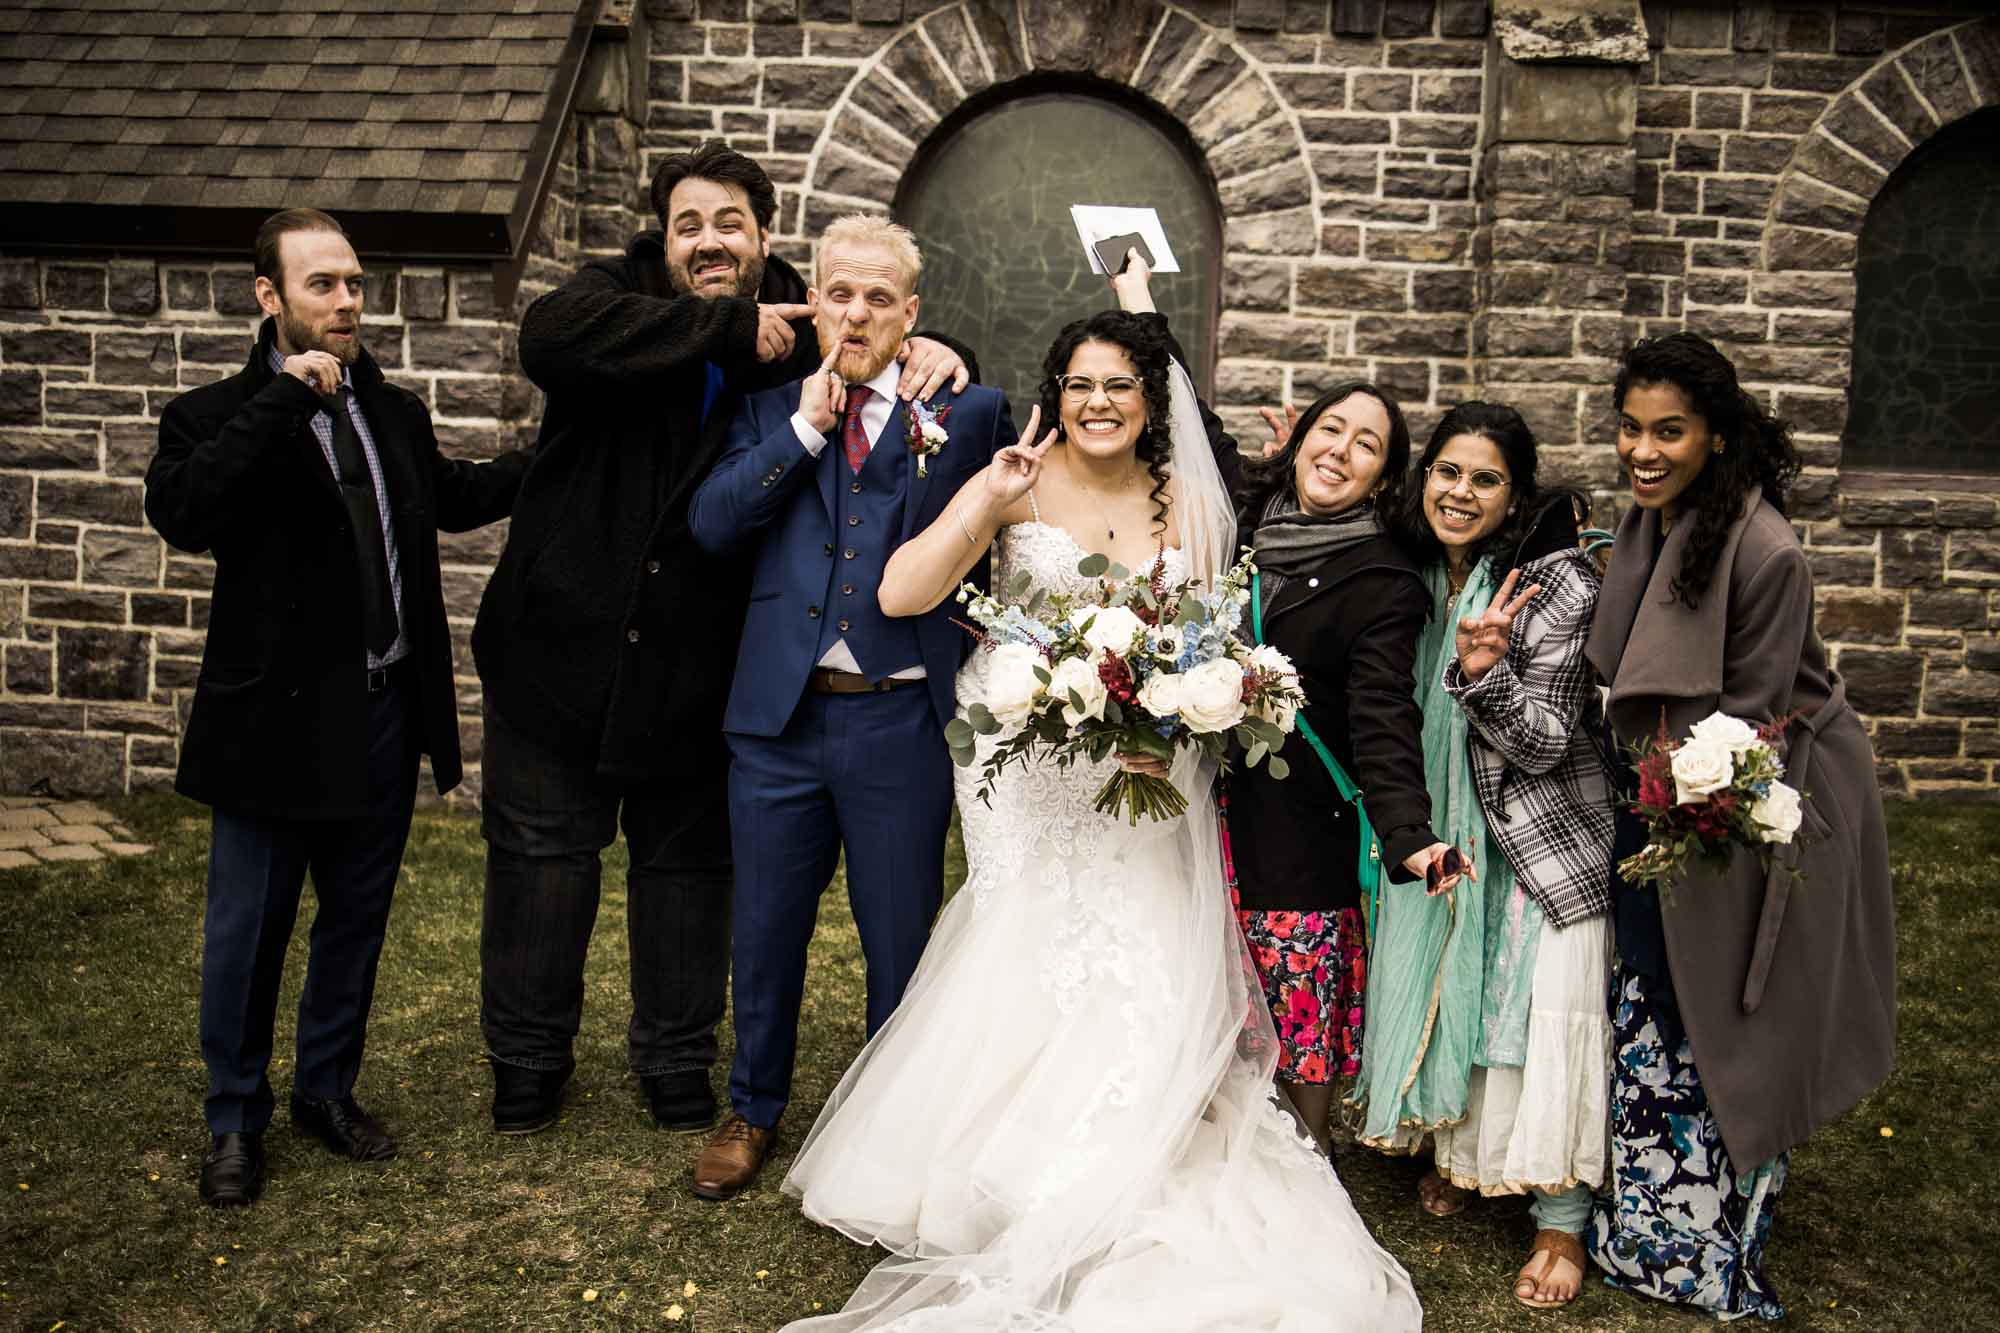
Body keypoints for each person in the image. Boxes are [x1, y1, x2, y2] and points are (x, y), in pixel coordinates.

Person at [775, 270, 1423, 1330]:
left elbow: (1213, 633)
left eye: (1119, 383)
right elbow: (900, 593)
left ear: (1149, 396)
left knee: (1141, 943)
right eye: (1077, 383)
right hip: (1020, 766)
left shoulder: (1184, 502)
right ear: (1054, 392)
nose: (1097, 402)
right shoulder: (1013, 480)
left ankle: (1122, 1147)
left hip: (1140, 769)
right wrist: (984, 495)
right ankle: (988, 1157)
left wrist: (1181, 698)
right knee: (1023, 931)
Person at [472, 144, 970, 1136]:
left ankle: (673, 1059)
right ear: (662, 237)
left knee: (688, 868)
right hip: (559, 638)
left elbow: (863, 318)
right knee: (543, 856)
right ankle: (527, 1063)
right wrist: (728, 329)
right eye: (688, 225)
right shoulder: (609, 295)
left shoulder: (797, 302)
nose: (708, 241)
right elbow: (548, 337)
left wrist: (934, 343)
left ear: (762, 236)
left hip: (696, 658)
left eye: (728, 224)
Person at [146, 209, 529, 1206]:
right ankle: (234, 1116)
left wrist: (564, 450)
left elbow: (453, 493)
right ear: (269, 297)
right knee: (250, 929)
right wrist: (281, 399)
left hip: (381, 715)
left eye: (354, 282)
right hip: (271, 727)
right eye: (323, 284)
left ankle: (327, 1090)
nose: (349, 300)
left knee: (353, 923)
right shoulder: (213, 414)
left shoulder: (390, 412)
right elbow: (186, 511)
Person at [684, 215, 1008, 1200]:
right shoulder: (762, 408)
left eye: (879, 296)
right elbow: (712, 523)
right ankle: (752, 1107)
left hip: (899, 719)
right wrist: (807, 427)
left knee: (899, 930)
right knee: (767, 926)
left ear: (910, 313)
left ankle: (892, 1122)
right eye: (840, 292)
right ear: (813, 298)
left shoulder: (971, 407)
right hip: (776, 721)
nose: (856, 310)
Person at [1584, 332, 1896, 1319]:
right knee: (1647, 984)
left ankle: (1709, 1242)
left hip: (1754, 790)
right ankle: (1638, 1230)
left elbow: (1749, 718)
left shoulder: (1765, 550)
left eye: (1666, 431)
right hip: (1662, 781)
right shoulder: (1647, 523)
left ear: (1714, 435)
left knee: (1722, 1001)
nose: (1641, 448)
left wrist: (1668, 784)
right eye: (1629, 428)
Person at [1385, 402, 1617, 1310]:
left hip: (1538, 834)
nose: (1460, 492)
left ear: (1516, 496)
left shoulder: (1555, 583)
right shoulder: (1421, 569)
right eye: (1447, 471)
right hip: (1445, 828)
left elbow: (1551, 742)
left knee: (1534, 1006)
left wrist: (1486, 674)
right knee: (1466, 993)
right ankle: (1467, 1152)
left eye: (1485, 479)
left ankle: (1561, 1216)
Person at [1230, 383, 1459, 1159]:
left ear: (1384, 477)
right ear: (1299, 441)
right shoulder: (1244, 528)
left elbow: (1384, 716)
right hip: (1209, 811)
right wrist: (1134, 289)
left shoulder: (1384, 581)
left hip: (1301, 829)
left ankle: (1304, 1159)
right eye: (1331, 429)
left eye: (1367, 444)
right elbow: (1187, 427)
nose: (1340, 450)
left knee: (1297, 998)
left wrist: (1410, 833)